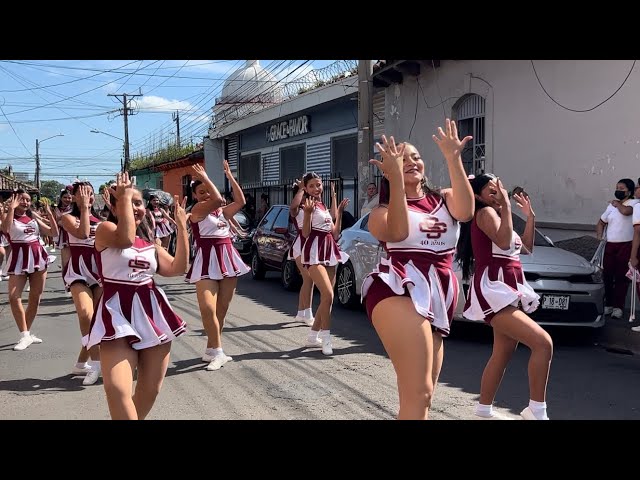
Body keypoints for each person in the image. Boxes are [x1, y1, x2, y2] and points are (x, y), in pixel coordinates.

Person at [361, 120, 475, 420]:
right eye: (402, 158)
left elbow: (466, 212)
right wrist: (396, 179)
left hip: (438, 292)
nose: (410, 161)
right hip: (396, 288)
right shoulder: (380, 212)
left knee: (420, 398)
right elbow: (397, 233)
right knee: (421, 391)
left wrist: (453, 157)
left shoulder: (445, 198)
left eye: (415, 156)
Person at [84, 172, 189, 420]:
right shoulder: (105, 230)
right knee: (118, 390)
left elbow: (177, 268)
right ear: (113, 204)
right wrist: (124, 198)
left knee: (149, 390)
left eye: (138, 202)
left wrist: (182, 227)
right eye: (129, 201)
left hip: (151, 314)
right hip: (116, 314)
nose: (136, 207)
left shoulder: (151, 244)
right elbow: (126, 237)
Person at [186, 161, 248, 371]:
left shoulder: (222, 213)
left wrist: (230, 176)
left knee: (221, 309)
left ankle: (212, 348)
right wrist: (208, 179)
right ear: (195, 196)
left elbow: (240, 200)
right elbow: (218, 199)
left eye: (207, 191)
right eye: (201, 192)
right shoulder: (197, 210)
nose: (205, 195)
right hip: (206, 260)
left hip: (227, 258)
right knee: (207, 307)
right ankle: (219, 352)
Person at [1, 189, 59, 351]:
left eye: (28, 200)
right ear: (14, 200)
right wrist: (11, 209)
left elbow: (53, 233)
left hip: (38, 257)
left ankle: (26, 334)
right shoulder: (8, 216)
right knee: (14, 297)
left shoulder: (33, 217)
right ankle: (25, 335)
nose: (26, 202)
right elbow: (6, 230)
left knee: (35, 298)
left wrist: (49, 214)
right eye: (22, 199)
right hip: (18, 258)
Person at [300, 173, 349, 355]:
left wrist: (340, 213)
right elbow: (305, 233)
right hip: (314, 253)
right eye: (311, 186)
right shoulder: (308, 206)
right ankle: (326, 339)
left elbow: (335, 234)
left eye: (318, 185)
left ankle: (313, 337)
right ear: (305, 188)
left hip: (330, 251)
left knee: (327, 299)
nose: (316, 188)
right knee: (328, 295)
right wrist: (307, 214)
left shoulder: (323, 206)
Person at [61, 182, 103, 385]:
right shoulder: (68, 217)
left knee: (97, 320)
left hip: (99, 273)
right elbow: (84, 234)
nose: (88, 196)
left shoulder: (101, 219)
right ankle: (96, 364)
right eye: (83, 193)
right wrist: (85, 208)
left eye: (91, 193)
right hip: (78, 271)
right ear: (74, 197)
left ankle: (80, 363)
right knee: (86, 314)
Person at [596, 178, 637, 319]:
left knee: (621, 277)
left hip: (625, 245)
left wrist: (617, 204)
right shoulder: (611, 206)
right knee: (607, 275)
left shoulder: (634, 203)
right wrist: (600, 236)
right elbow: (601, 222)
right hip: (610, 245)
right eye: (617, 188)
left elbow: (626, 212)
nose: (618, 191)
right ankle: (609, 305)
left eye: (622, 188)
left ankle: (618, 307)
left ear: (629, 191)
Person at [288, 178, 315, 327]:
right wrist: (301, 188)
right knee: (309, 279)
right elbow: (293, 207)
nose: (306, 198)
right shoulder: (297, 210)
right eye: (304, 195)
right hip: (300, 247)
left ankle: (300, 312)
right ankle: (308, 314)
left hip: (311, 246)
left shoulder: (311, 208)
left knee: (307, 280)